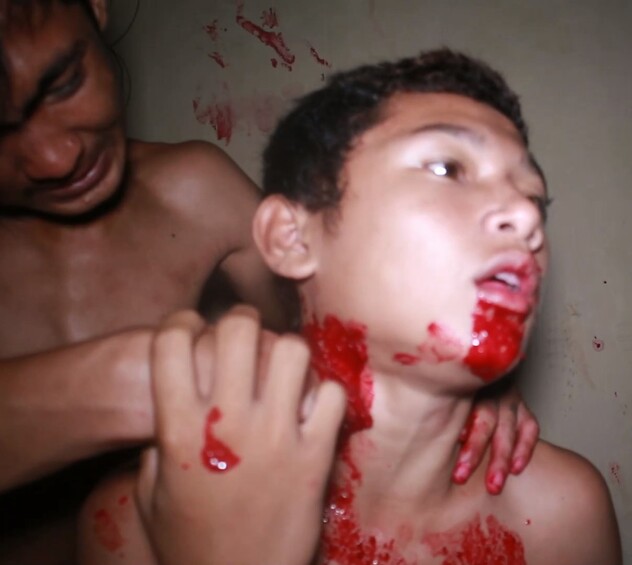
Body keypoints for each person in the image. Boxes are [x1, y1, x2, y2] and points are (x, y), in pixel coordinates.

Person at [0, 1, 540, 562]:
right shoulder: (117, 518)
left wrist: (452, 379)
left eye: (63, 84)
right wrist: (144, 380)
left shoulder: (195, 191)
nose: (54, 158)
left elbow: (330, 322)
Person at [80, 48, 622, 565]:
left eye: (534, 198)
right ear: (291, 237)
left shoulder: (562, 516)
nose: (525, 217)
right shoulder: (140, 521)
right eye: (447, 169)